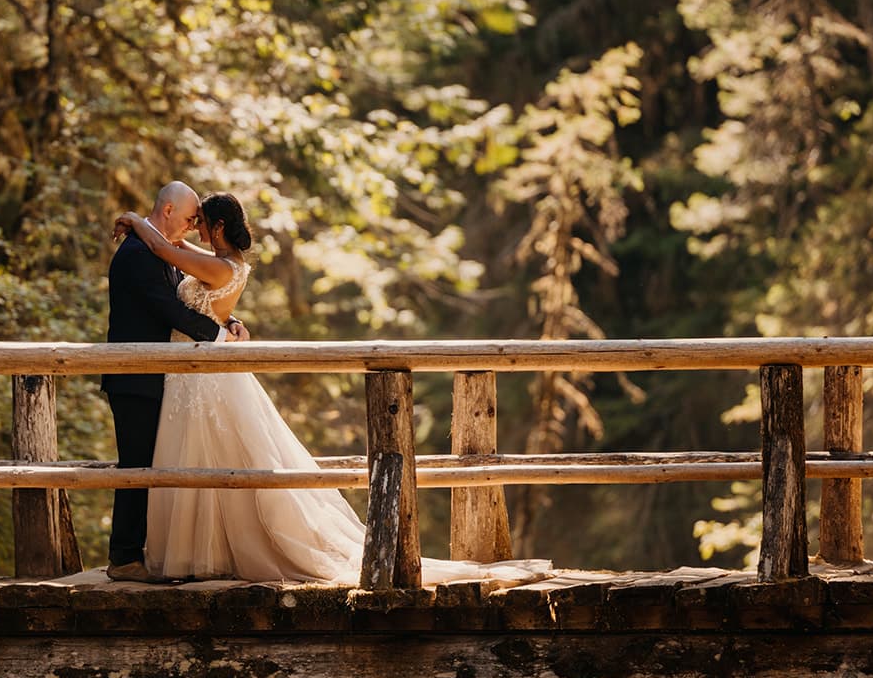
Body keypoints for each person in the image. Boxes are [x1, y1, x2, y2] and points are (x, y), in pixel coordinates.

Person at [113, 192, 551, 584]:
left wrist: (135, 218)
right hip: (193, 377)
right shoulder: (227, 265)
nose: (195, 230)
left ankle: (205, 551)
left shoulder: (215, 264)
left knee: (214, 455)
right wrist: (224, 323)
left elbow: (163, 248)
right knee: (203, 456)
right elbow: (176, 255)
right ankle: (199, 551)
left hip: (201, 378)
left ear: (219, 226)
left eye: (201, 223)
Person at [100, 181, 249, 583]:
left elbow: (192, 296)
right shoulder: (138, 252)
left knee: (156, 465)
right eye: (187, 219)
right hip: (135, 378)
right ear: (167, 211)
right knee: (136, 466)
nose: (190, 227)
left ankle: (145, 553)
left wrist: (226, 319)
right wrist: (219, 334)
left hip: (159, 377)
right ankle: (125, 557)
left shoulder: (157, 248)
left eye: (197, 221)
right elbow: (170, 309)